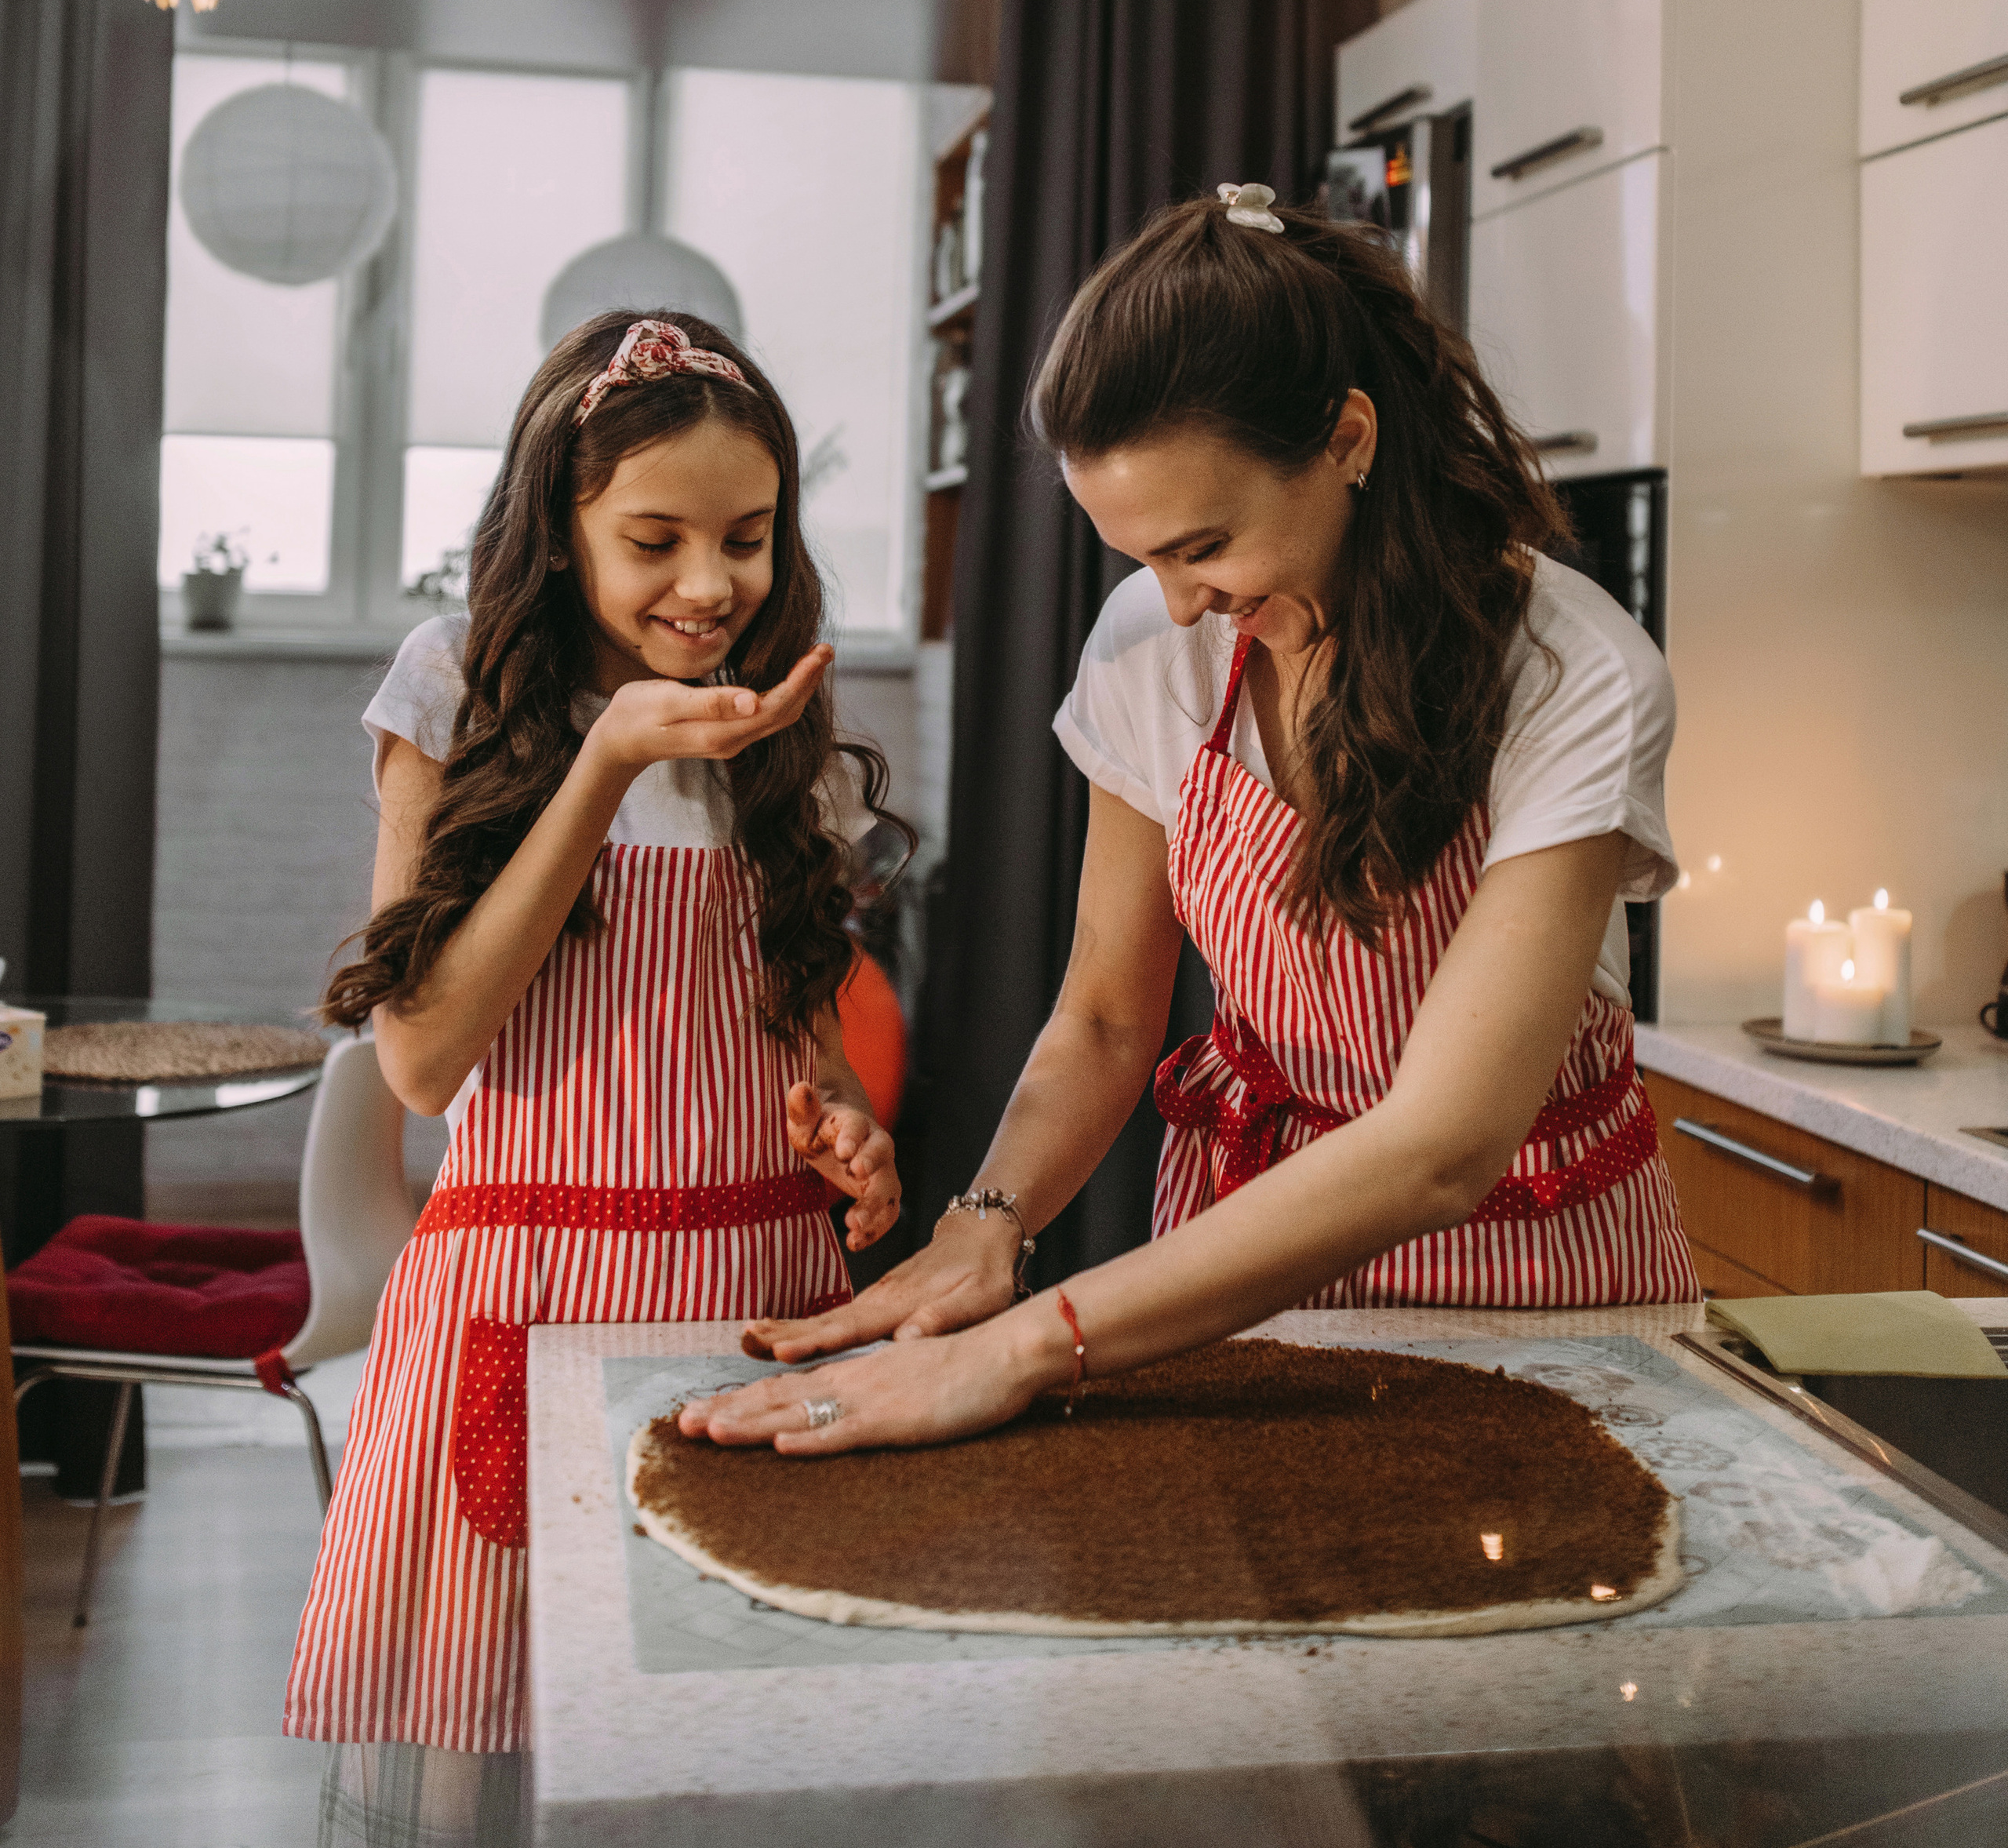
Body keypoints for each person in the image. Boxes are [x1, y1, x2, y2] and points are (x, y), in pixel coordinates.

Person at [679, 186, 1698, 1463]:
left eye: (1203, 546)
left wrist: (1022, 1345)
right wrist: (986, 1221)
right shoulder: (1158, 647)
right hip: (1235, 1282)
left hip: (1537, 1286)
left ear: (1347, 441)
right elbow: (1109, 1017)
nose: (1172, 604)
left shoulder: (1568, 673)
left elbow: (1444, 1145)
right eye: (1143, 557)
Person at [285, 311, 905, 1766]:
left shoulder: (777, 720)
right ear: (560, 534)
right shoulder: (459, 685)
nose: (710, 584)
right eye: (654, 541)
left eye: (747, 538)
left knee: (723, 1734)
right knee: (500, 1732)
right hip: (534, 1295)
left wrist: (846, 1125)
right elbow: (424, 1064)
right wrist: (610, 755)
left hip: (756, 1290)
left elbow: (809, 1052)